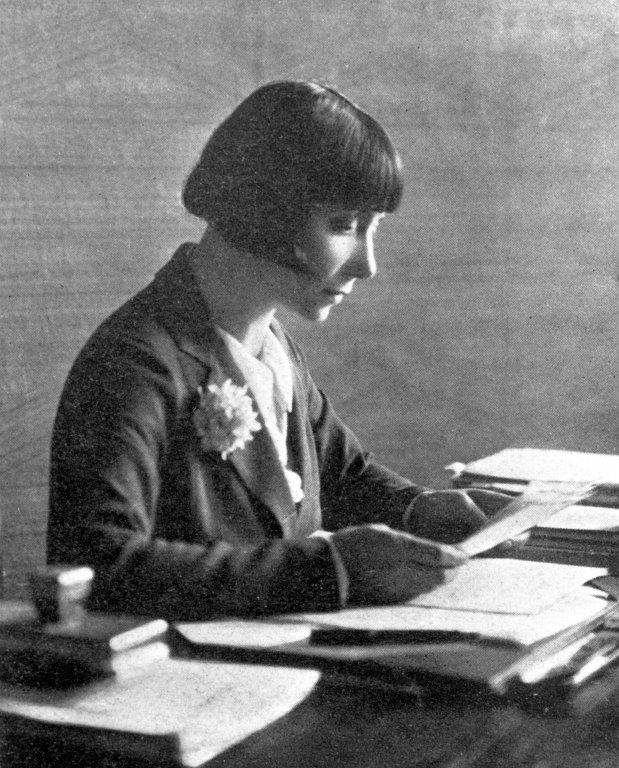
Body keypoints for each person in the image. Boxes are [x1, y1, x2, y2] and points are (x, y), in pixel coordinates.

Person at [47, 81, 507, 620]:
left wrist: (417, 508)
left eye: (372, 229)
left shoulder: (273, 345)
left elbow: (342, 476)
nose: (367, 265)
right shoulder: (134, 361)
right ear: (266, 207)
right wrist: (327, 570)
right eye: (343, 226)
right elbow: (97, 564)